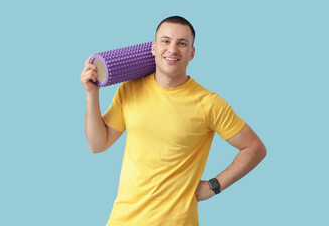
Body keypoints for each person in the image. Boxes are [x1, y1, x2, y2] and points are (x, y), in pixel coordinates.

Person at [80, 16, 266, 226]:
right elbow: (97, 144)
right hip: (123, 220)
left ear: (192, 53)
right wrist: (92, 94)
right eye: (165, 41)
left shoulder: (208, 103)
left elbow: (255, 147)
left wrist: (215, 186)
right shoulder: (130, 89)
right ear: (153, 47)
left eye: (182, 43)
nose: (172, 49)